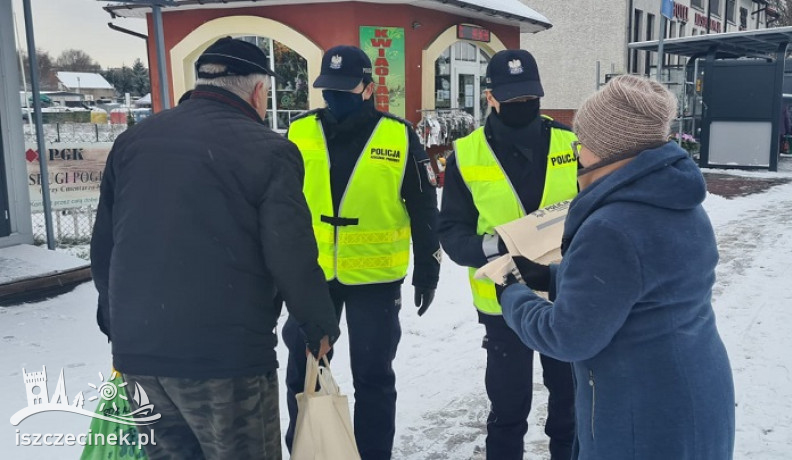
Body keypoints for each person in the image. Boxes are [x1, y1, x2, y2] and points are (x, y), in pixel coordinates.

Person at [90, 37, 341, 459]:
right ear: (259, 91)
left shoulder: (134, 141)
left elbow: (105, 247)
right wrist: (318, 325)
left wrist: (119, 323)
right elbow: (291, 253)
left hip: (140, 357)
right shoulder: (270, 151)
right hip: (226, 362)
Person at [498, 75, 735, 460]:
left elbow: (569, 337)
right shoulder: (675, 199)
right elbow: (645, 285)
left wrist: (513, 297)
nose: (578, 153)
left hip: (642, 412)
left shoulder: (612, 225)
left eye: (582, 143)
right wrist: (554, 277)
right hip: (693, 389)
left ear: (607, 149)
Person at [281, 45, 441, 460]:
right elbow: (277, 205)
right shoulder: (299, 132)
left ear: (368, 88)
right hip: (312, 279)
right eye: (327, 88)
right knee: (305, 373)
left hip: (376, 280)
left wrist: (428, 268)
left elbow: (423, 204)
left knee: (373, 377)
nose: (334, 97)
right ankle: (305, 450)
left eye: (345, 88)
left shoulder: (398, 134)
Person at [438, 49, 577, 460]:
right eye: (512, 99)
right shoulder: (466, 154)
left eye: (529, 98)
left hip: (565, 296)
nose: (522, 107)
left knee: (569, 406)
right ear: (490, 97)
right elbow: (451, 232)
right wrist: (499, 247)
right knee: (508, 409)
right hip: (504, 303)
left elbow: (595, 212)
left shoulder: (572, 143)